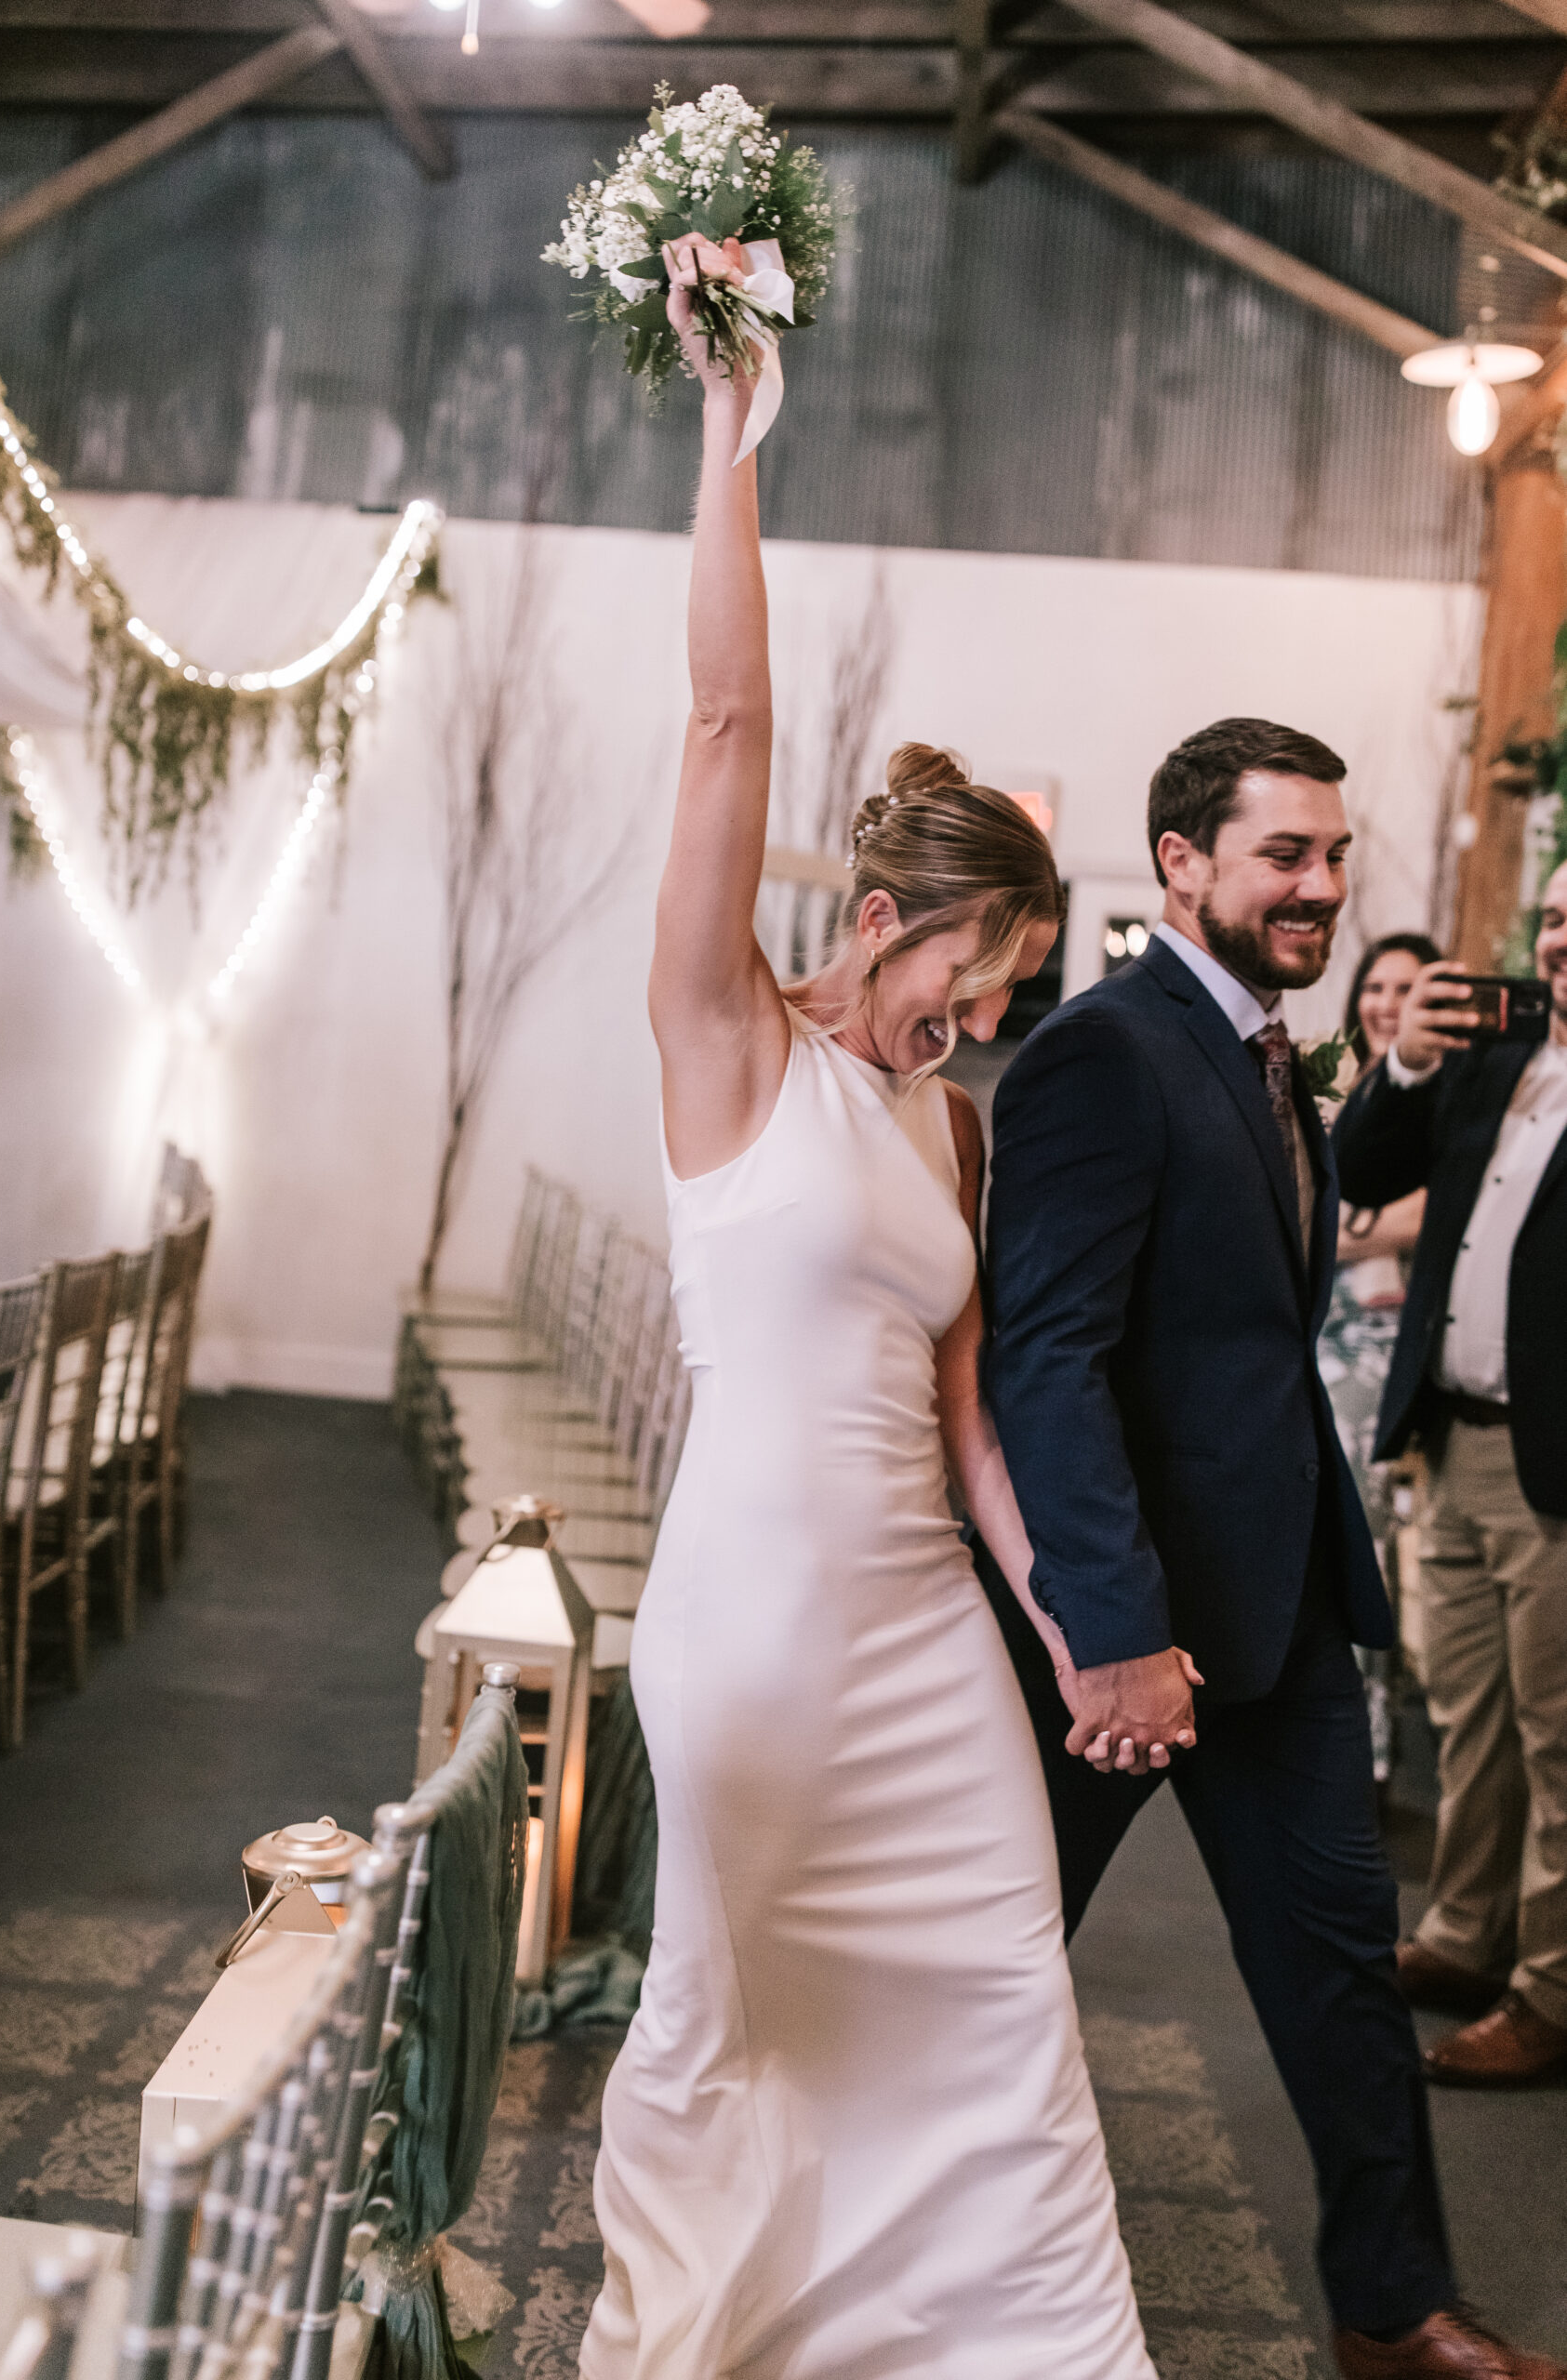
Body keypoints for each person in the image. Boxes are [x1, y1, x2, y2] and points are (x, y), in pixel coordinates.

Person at [582, 231, 1168, 2379]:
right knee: (739, 2018)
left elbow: (970, 1422)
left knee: (1001, 1997)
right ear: (900, 916)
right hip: (747, 1610)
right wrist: (730, 420)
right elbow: (722, 708)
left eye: (1012, 993)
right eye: (967, 974)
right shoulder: (722, 1031)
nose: (980, 1017)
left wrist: (1061, 1627)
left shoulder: (956, 1131)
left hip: (926, 1633)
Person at [979, 719, 1564, 2379]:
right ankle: (865, 2254)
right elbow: (1047, 1358)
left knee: (1341, 1980)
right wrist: (1104, 1630)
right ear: (1182, 865)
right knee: (992, 1953)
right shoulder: (1108, 1052)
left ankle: (1396, 2306)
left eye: (1330, 854)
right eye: (1283, 857)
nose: (1321, 886)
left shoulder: (1257, 1047)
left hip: (1284, 1617)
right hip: (1121, 1631)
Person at [1335, 865, 1567, 2091]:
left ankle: (1547, 1991)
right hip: (1456, 1433)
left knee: (1556, 1738)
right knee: (1465, 1714)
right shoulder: (1491, 1060)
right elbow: (1360, 1170)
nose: (1560, 938)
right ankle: (1464, 1936)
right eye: (1553, 916)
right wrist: (1408, 1064)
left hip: (1555, 1465)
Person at [1317, 933, 1440, 1778]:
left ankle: (1367, 1751)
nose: (1385, 1002)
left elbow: (1424, 1217)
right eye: (1374, 985)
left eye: (1406, 987)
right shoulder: (1325, 1081)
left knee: (1370, 1545)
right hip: (1313, 1333)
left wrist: (1343, 1224)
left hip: (1390, 1345)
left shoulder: (1444, 1095)